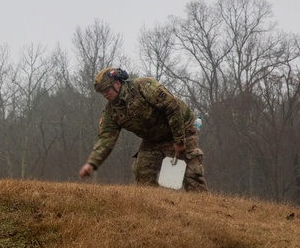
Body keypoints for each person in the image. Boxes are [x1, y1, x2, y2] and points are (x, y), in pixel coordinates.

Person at [78, 67, 207, 191]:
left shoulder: (144, 86)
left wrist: (179, 141)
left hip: (181, 128)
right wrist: (92, 164)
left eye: (107, 90)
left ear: (117, 84)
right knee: (142, 172)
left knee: (191, 175)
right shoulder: (111, 112)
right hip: (153, 140)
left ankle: (204, 209)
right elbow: (106, 140)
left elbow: (172, 107)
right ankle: (155, 208)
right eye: (102, 92)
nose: (105, 94)